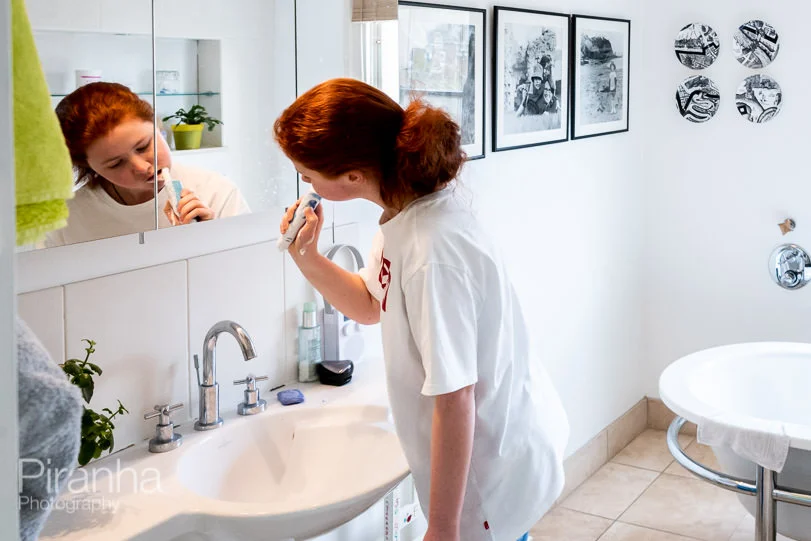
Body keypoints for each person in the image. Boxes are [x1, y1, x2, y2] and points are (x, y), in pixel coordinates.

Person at [274, 78, 569, 541]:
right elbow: (373, 304)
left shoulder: (432, 252)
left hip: (486, 475)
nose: (304, 185)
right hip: (488, 450)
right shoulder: (403, 213)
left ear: (351, 175)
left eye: (307, 175)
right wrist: (307, 257)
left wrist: (445, 529)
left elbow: (455, 398)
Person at [45, 82, 250, 248]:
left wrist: (210, 240)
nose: (142, 167)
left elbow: (248, 277)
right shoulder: (68, 220)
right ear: (89, 167)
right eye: (116, 164)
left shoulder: (216, 192)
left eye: (143, 146)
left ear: (157, 127)